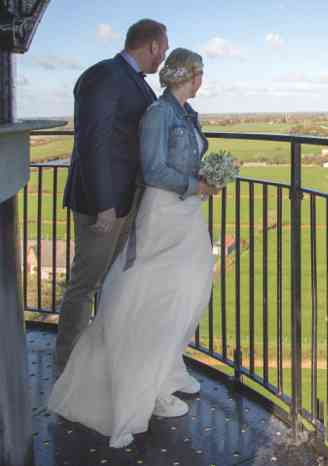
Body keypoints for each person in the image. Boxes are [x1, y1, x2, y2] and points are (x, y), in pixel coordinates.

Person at [48, 48, 220, 449]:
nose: (203, 81)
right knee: (154, 295)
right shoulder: (160, 114)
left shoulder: (187, 114)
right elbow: (154, 169)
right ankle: (144, 383)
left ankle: (168, 369)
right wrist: (197, 186)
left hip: (187, 215)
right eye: (201, 73)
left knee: (190, 292)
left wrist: (206, 176)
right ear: (189, 75)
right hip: (164, 216)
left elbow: (184, 161)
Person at [55, 19, 169, 375]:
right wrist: (104, 203)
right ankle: (67, 366)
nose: (163, 58)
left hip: (124, 199)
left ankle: (97, 356)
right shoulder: (104, 76)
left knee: (109, 279)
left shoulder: (134, 82)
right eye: (163, 51)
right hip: (103, 204)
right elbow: (94, 142)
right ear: (151, 46)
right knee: (84, 284)